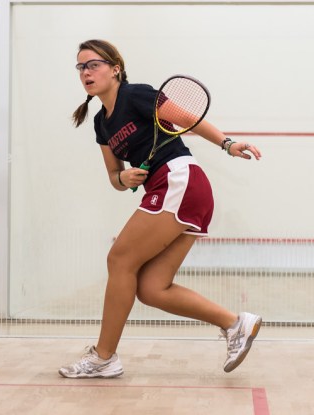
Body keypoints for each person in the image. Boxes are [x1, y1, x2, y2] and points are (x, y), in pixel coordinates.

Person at [58, 40, 262, 378]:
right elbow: (113, 175)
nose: (86, 73)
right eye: (80, 67)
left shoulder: (136, 95)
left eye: (93, 65)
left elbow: (189, 120)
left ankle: (104, 356)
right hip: (172, 190)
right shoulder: (101, 124)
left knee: (119, 259)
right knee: (152, 288)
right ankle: (235, 324)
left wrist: (228, 144)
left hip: (179, 180)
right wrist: (123, 177)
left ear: (115, 68)